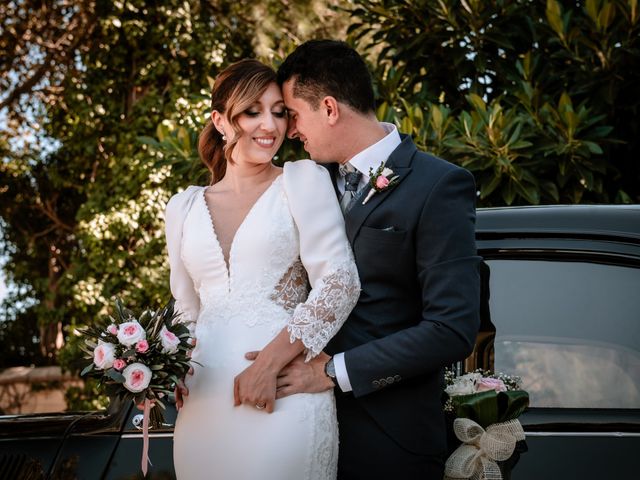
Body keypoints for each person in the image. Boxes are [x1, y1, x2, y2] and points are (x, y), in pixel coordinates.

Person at [262, 40, 482, 479]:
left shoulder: (439, 186)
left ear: (328, 108)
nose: (289, 132)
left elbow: (451, 327)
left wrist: (336, 372)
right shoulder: (304, 184)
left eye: (293, 115)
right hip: (297, 431)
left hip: (389, 437)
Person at [166, 59, 360, 480]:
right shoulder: (182, 207)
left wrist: (269, 364)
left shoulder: (302, 180)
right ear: (220, 120)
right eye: (252, 111)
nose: (269, 125)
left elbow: (340, 282)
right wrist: (163, 370)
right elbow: (184, 309)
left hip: (282, 394)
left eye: (278, 111)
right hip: (202, 406)